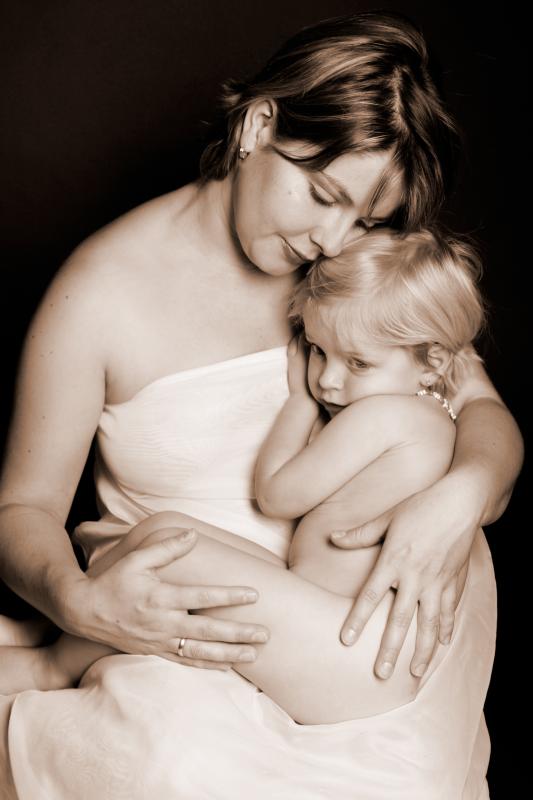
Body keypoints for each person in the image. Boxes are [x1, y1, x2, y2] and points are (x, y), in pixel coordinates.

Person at [0, 10, 522, 799]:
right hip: (199, 623)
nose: (334, 238)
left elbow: (480, 410)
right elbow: (24, 508)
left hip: (356, 616)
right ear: (257, 125)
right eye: (321, 194)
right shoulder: (100, 294)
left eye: (366, 218)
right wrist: (77, 602)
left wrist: (463, 494)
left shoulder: (358, 272)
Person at [0, 227, 485, 726]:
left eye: (358, 363)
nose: (328, 380)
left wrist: (299, 403)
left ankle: (50, 665)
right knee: (170, 534)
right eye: (318, 351)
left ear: (433, 362)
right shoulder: (435, 417)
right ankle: (57, 628)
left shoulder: (383, 415)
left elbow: (277, 495)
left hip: (347, 649)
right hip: (349, 635)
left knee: (171, 547)